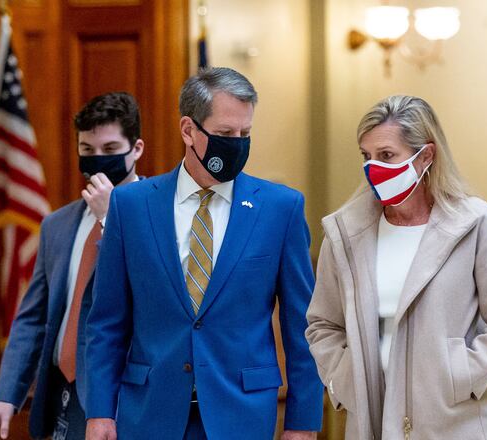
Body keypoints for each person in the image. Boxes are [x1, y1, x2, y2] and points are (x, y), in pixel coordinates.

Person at [83, 67, 323, 440]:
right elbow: (107, 322)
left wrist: (302, 423)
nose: (238, 143)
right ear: (188, 130)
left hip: (241, 413)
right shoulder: (130, 207)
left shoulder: (280, 208)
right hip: (149, 412)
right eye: (226, 134)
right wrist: (99, 412)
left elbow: (301, 328)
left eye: (245, 133)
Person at [305, 95, 487, 439]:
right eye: (365, 156)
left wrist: (461, 374)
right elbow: (323, 324)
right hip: (373, 416)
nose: (372, 168)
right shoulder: (346, 233)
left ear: (425, 156)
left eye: (386, 155)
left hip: (454, 419)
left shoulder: (474, 223)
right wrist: (345, 378)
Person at [0, 92, 145, 440]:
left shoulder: (160, 215)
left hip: (124, 399)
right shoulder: (56, 225)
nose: (97, 160)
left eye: (110, 149)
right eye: (87, 151)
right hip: (60, 394)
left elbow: (152, 292)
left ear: (137, 149)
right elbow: (32, 318)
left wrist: (110, 219)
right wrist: (7, 395)